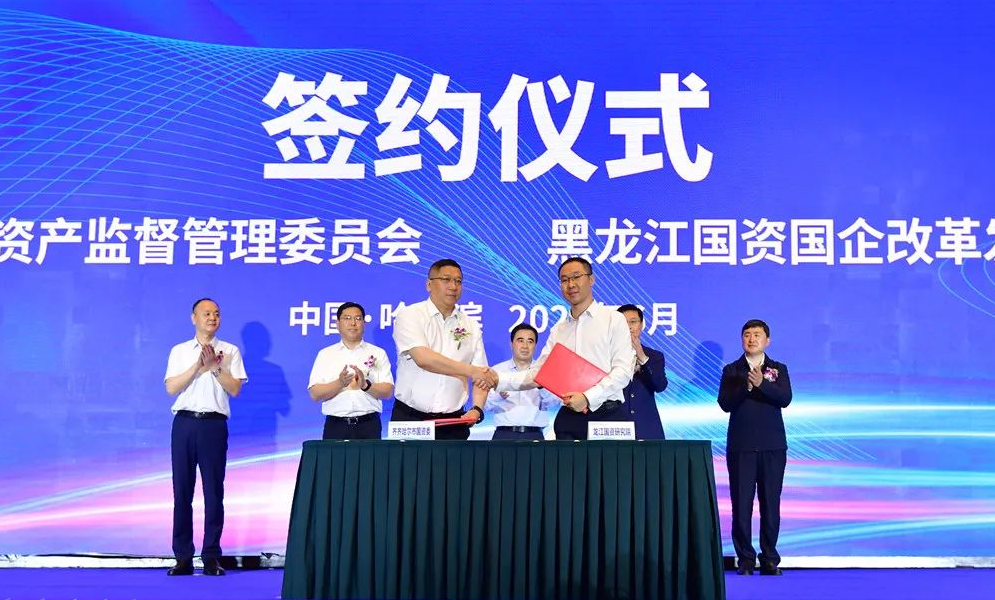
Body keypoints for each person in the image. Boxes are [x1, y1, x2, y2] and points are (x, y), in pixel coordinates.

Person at [485, 257, 635, 440]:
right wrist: (499, 379)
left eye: (576, 277)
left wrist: (587, 398)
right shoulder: (559, 330)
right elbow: (538, 373)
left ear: (591, 279)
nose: (570, 284)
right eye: (564, 280)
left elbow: (623, 371)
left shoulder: (613, 319)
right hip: (569, 416)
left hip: (607, 416)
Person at [163, 298, 247, 577]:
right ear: (194, 318)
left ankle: (211, 556)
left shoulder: (230, 350)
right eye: (207, 313)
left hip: (213, 425)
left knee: (213, 492)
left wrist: (214, 367)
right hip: (184, 423)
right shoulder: (179, 351)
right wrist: (197, 367)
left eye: (216, 314)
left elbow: (235, 389)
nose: (212, 318)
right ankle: (183, 557)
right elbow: (171, 388)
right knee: (182, 492)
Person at [718, 319, 792, 576]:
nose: (751, 339)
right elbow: (725, 404)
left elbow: (785, 399)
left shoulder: (778, 369)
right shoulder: (732, 370)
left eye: (757, 335)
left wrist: (762, 383)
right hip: (742, 446)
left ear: (767, 340)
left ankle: (770, 558)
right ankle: (746, 560)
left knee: (770, 503)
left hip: (773, 446)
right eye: (747, 335)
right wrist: (747, 386)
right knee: (741, 504)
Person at [391, 259, 492, 440]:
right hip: (411, 419)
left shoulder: (471, 325)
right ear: (429, 284)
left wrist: (477, 409)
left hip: (454, 422)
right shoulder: (410, 315)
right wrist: (471, 371)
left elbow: (482, 375)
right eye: (446, 279)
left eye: (458, 281)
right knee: (408, 460)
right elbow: (424, 359)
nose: (453, 286)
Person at [308, 302, 394, 439]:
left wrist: (365, 385)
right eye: (347, 318)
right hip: (336, 426)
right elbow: (315, 394)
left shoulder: (378, 353)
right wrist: (340, 383)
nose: (353, 323)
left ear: (364, 323)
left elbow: (388, 391)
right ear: (337, 324)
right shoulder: (325, 354)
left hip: (369, 424)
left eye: (358, 318)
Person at [481, 323, 558, 440]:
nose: (525, 346)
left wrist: (541, 387)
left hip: (534, 435)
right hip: (503, 435)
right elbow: (485, 405)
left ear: (535, 345)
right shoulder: (497, 371)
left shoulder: (543, 371)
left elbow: (554, 403)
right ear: (511, 344)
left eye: (530, 341)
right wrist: (499, 396)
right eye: (520, 340)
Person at [617, 304, 669, 439]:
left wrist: (642, 358)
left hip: (647, 429)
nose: (629, 327)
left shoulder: (655, 356)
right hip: (616, 429)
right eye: (623, 323)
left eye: (633, 322)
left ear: (641, 325)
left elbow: (660, 386)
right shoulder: (605, 356)